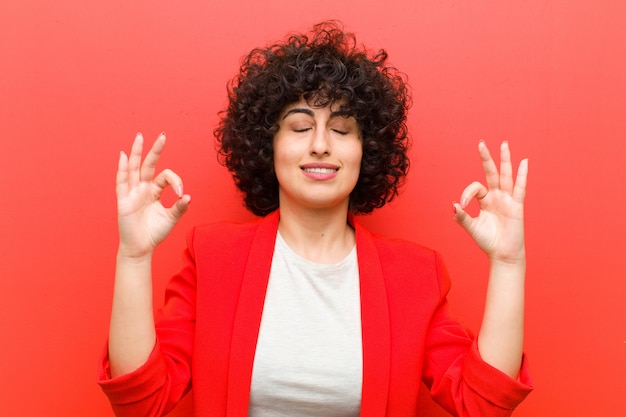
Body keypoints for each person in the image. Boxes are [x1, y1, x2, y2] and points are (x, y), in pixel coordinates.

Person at [98, 21, 533, 417]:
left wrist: (509, 263)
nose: (321, 145)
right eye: (300, 126)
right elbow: (143, 402)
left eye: (342, 129)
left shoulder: (416, 276)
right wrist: (134, 257)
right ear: (268, 145)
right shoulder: (212, 257)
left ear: (367, 150)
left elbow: (482, 404)